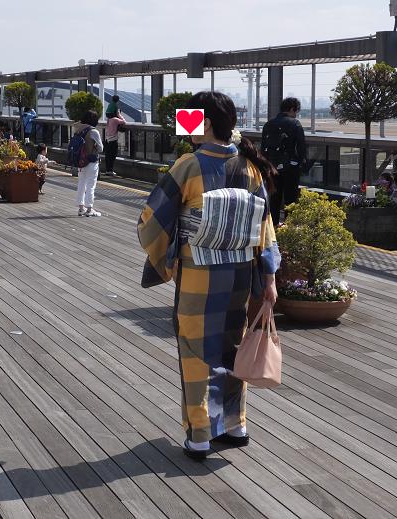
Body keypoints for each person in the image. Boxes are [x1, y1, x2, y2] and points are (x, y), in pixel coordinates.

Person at [138, 92, 281, 461]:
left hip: (200, 274)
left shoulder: (189, 165)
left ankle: (200, 434)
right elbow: (265, 228)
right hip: (239, 275)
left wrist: (167, 259)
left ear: (204, 123)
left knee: (196, 351)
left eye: (191, 117)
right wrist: (269, 279)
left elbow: (151, 221)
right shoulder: (249, 167)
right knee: (231, 346)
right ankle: (235, 424)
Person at [261, 97, 306, 226]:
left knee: (275, 196)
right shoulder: (295, 124)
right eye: (296, 111)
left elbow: (263, 147)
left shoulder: (268, 124)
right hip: (291, 166)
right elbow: (301, 146)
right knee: (290, 196)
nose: (296, 114)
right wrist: (301, 162)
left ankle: (273, 224)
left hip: (272, 165)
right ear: (292, 109)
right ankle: (289, 225)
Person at [73, 110, 104, 217]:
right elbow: (100, 148)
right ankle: (89, 209)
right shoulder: (93, 131)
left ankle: (81, 208)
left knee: (81, 184)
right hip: (91, 161)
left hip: (80, 161)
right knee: (91, 185)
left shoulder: (77, 129)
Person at [104, 112, 126, 176]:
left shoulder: (109, 119)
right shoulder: (115, 119)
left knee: (107, 156)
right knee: (112, 156)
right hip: (113, 141)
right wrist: (119, 114)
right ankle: (110, 170)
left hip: (107, 140)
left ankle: (107, 170)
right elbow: (124, 122)